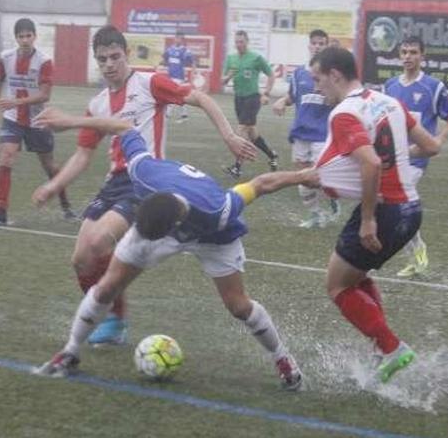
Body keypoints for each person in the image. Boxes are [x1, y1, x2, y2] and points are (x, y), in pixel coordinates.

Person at [31, 113, 307, 390]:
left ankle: (283, 358)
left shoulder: (218, 209)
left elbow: (260, 184)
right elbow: (124, 126)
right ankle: (70, 351)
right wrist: (70, 121)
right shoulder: (143, 173)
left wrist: (304, 175)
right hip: (158, 217)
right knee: (107, 288)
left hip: (213, 237)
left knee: (238, 305)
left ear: (173, 226)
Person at [32, 25, 256, 346]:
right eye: (102, 59)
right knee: (81, 258)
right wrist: (54, 185)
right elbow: (83, 155)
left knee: (98, 242)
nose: (110, 64)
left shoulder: (149, 83)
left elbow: (201, 97)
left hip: (146, 181)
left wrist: (229, 136)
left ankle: (115, 318)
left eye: (115, 56)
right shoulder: (97, 104)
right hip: (114, 182)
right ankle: (110, 315)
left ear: (126, 54)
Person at [310, 46, 447, 383]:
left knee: (337, 286)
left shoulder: (344, 112)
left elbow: (371, 163)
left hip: (385, 211)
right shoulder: (389, 101)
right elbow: (432, 146)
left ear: (335, 75)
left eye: (318, 79)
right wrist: (400, 154)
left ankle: (390, 347)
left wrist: (369, 218)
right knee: (355, 276)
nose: (317, 88)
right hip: (413, 210)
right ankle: (381, 347)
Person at [0, 18, 74, 225]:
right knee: (6, 156)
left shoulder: (44, 61)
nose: (25, 40)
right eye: (21, 36)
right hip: (12, 118)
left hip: (37, 120)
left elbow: (45, 95)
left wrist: (16, 101)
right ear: (16, 38)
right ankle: (1, 211)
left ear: (34, 36)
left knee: (49, 166)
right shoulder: (6, 57)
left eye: (28, 35)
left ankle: (66, 205)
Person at [383, 36, 448, 277]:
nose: (407, 56)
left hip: (416, 159)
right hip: (393, 156)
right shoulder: (390, 86)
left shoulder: (433, 87)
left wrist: (437, 141)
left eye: (413, 52)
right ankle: (418, 250)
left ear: (422, 56)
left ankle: (417, 255)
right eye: (404, 52)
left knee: (396, 204)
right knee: (398, 207)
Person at [272, 29, 340, 228]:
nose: (317, 46)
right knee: (304, 181)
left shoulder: (333, 74)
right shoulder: (299, 73)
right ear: (309, 45)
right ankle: (316, 215)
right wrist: (282, 102)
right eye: (314, 43)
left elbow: (342, 99)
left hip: (323, 134)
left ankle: (333, 197)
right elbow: (293, 96)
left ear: (326, 46)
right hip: (300, 133)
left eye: (321, 43)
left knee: (321, 177)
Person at [222, 30, 278, 178]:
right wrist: (228, 76)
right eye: (237, 42)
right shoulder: (231, 58)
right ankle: (272, 155)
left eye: (241, 41)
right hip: (238, 99)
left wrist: (266, 93)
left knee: (240, 132)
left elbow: (271, 74)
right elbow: (223, 80)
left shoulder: (256, 58)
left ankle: (237, 167)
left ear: (247, 42)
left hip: (252, 98)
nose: (239, 44)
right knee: (252, 134)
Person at [161, 31, 196, 123]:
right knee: (179, 96)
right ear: (174, 38)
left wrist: (193, 73)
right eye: (177, 37)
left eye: (180, 38)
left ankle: (167, 115)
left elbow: (193, 62)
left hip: (179, 76)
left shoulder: (185, 50)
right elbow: (164, 58)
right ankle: (184, 115)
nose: (178, 40)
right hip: (170, 76)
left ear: (182, 40)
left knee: (171, 94)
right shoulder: (169, 49)